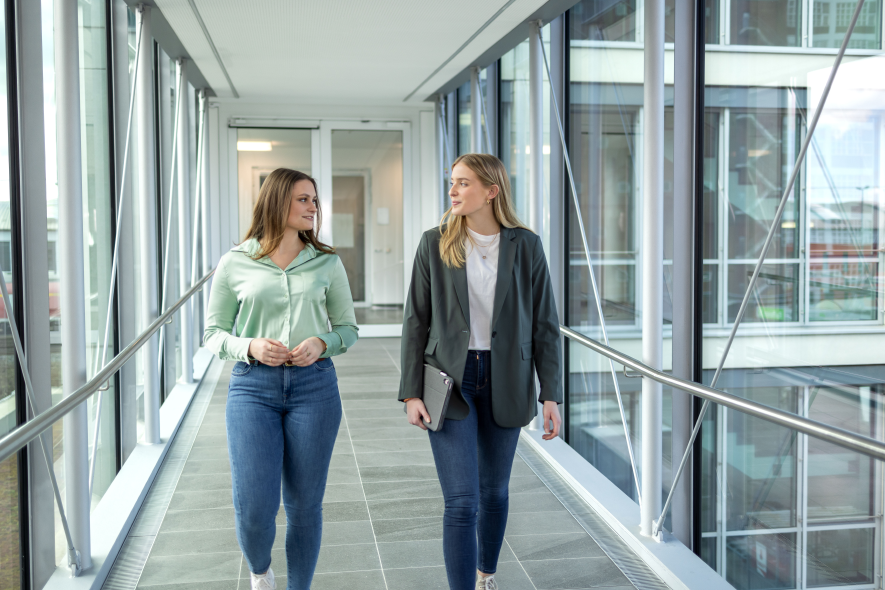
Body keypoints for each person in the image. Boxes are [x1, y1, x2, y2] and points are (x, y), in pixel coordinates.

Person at [399, 154, 562, 590]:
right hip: (450, 381)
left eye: (463, 183)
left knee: (494, 492)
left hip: (507, 378)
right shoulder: (434, 242)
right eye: (452, 182)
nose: (453, 191)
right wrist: (410, 393)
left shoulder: (525, 245)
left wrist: (551, 395)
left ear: (492, 191)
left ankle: (486, 573)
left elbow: (546, 323)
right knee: (461, 502)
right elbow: (416, 320)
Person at [203, 168, 358, 590]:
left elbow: (349, 329)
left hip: (315, 389)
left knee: (305, 505)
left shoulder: (327, 262)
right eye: (303, 199)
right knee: (255, 506)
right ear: (276, 203)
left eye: (314, 199)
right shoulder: (235, 261)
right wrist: (249, 346)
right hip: (253, 388)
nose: (313, 207)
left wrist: (322, 343)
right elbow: (213, 334)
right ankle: (260, 571)